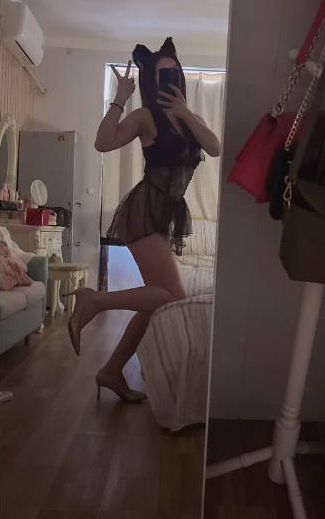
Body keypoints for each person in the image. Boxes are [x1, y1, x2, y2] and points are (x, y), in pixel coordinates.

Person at [68, 37, 221, 402]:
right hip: (144, 211)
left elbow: (215, 148)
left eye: (175, 73)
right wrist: (120, 98)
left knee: (155, 298)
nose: (171, 79)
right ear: (152, 81)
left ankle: (111, 371)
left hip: (166, 213)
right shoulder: (145, 117)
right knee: (172, 294)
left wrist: (185, 113)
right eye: (163, 75)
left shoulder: (190, 119)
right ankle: (94, 301)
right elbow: (103, 142)